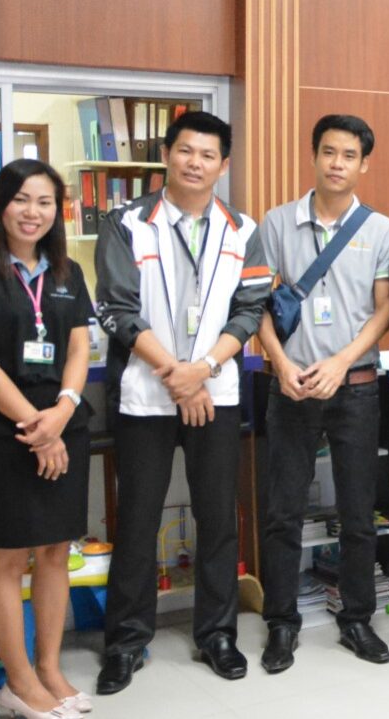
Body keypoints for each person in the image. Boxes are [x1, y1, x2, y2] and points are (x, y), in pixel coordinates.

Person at [94, 111, 271, 692]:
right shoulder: (126, 222)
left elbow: (250, 310)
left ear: (223, 164)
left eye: (208, 154)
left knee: (218, 518)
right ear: (167, 154)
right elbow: (117, 307)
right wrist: (177, 374)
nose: (195, 162)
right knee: (137, 519)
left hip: (215, 393)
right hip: (146, 394)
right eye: (186, 150)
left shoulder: (243, 229)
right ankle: (126, 641)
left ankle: (217, 634)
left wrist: (203, 371)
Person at [254, 114, 389, 673]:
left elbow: (384, 310)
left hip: (355, 387)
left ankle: (357, 619)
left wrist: (341, 362)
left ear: (364, 164)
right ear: (314, 155)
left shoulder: (380, 229)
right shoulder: (276, 223)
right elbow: (256, 304)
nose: (337, 163)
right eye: (329, 152)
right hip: (291, 386)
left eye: (349, 155)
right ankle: (281, 623)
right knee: (283, 511)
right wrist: (279, 361)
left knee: (359, 512)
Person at [0, 160, 94, 719]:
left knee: (56, 552)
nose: (33, 212)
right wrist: (38, 428)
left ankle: (50, 669)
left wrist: (63, 410)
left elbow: (78, 348)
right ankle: (19, 681)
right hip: (7, 431)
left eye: (45, 202)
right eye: (22, 200)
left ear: (58, 211)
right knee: (7, 559)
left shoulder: (67, 273)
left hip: (65, 425)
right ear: (0, 205)